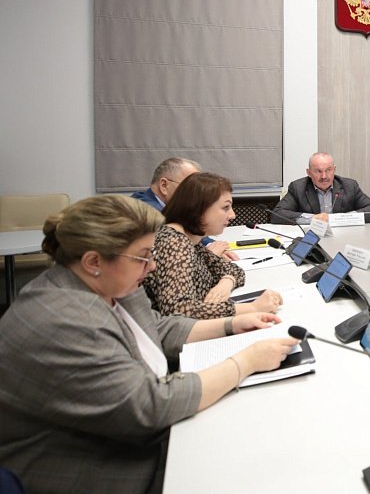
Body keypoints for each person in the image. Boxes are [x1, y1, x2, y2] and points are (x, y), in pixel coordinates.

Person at [0, 195, 299, 492]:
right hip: (92, 465)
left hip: (125, 435)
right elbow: (151, 405)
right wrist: (245, 362)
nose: (153, 265)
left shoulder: (108, 281)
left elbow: (155, 328)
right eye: (143, 256)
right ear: (93, 261)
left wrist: (230, 324)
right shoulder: (64, 320)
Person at [143, 172, 283, 319]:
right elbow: (179, 312)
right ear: (198, 208)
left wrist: (226, 282)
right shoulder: (175, 244)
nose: (232, 215)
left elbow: (233, 269)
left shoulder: (190, 238)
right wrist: (252, 308)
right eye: (225, 207)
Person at [132, 158, 234, 260]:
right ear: (164, 185)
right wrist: (210, 255)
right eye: (189, 186)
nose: (199, 195)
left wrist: (210, 245)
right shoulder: (145, 211)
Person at [271, 152, 370, 224]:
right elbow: (277, 214)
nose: (324, 176)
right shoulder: (298, 187)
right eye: (318, 171)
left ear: (334, 169)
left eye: (328, 170)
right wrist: (313, 218)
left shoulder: (349, 186)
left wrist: (344, 218)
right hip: (313, 236)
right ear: (309, 172)